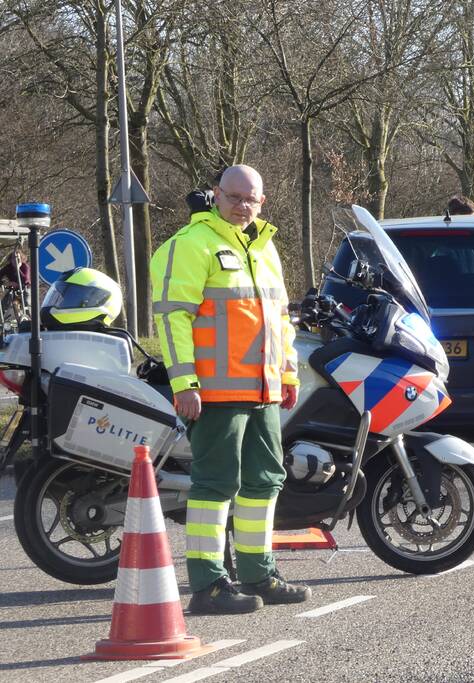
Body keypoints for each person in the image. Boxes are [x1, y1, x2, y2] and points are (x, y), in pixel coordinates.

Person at [151, 164, 310, 615]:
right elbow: (172, 318)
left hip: (263, 390)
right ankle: (208, 585)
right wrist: (184, 382)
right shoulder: (191, 243)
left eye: (250, 199)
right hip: (214, 393)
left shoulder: (264, 246)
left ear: (262, 202)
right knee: (216, 483)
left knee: (264, 481)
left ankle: (258, 573)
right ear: (216, 195)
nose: (242, 206)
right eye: (234, 197)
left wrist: (288, 374)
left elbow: (281, 320)